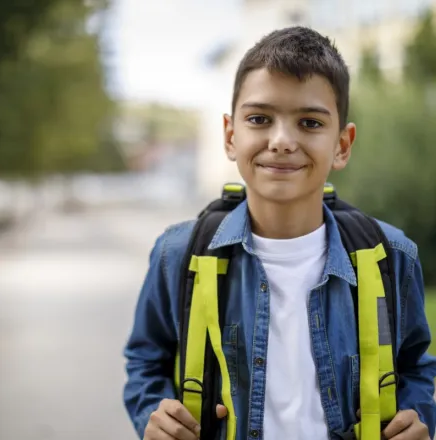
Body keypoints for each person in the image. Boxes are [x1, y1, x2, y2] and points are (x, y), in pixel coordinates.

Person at [122, 26, 436, 440]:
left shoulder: (391, 254)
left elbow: (415, 363)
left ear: (342, 144)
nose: (282, 141)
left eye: (309, 122)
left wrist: (418, 416)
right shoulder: (178, 253)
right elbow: (146, 360)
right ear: (231, 136)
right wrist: (152, 416)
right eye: (259, 119)